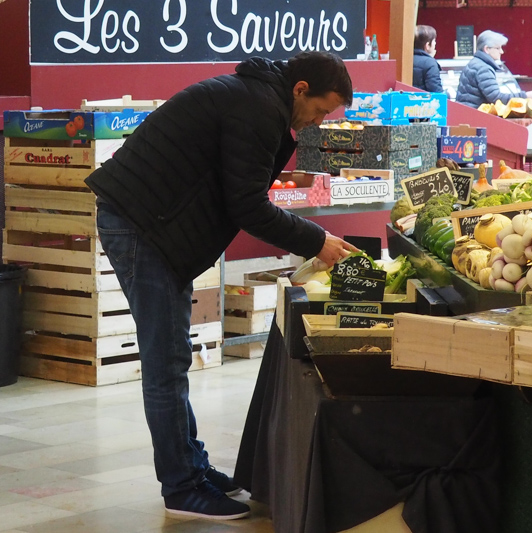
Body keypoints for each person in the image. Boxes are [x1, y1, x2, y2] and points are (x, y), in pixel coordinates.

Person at [84, 52, 358, 521]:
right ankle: (182, 487)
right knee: (166, 362)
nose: (318, 121)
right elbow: (247, 207)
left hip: (155, 224)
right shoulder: (256, 108)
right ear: (300, 89)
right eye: (321, 109)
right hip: (142, 225)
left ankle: (191, 465)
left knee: (172, 356)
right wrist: (318, 240)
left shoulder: (257, 99)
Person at [456, 30, 532, 108]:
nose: (502, 52)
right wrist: (524, 96)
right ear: (487, 49)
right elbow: (496, 98)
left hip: (467, 113)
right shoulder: (483, 68)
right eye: (498, 48)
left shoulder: (476, 63)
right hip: (476, 116)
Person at [413, 25, 443, 93]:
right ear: (427, 46)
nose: (435, 43)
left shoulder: (404, 59)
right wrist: (449, 94)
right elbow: (437, 93)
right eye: (434, 41)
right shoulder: (430, 64)